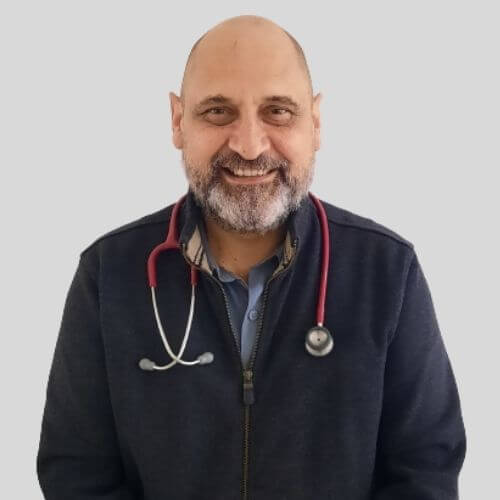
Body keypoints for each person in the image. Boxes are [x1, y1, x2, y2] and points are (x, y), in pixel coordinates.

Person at [36, 15, 466, 500]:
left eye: (277, 111)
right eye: (218, 111)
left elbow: (425, 470)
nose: (248, 145)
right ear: (178, 121)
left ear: (315, 122)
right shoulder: (108, 274)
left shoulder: (387, 272)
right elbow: (76, 473)